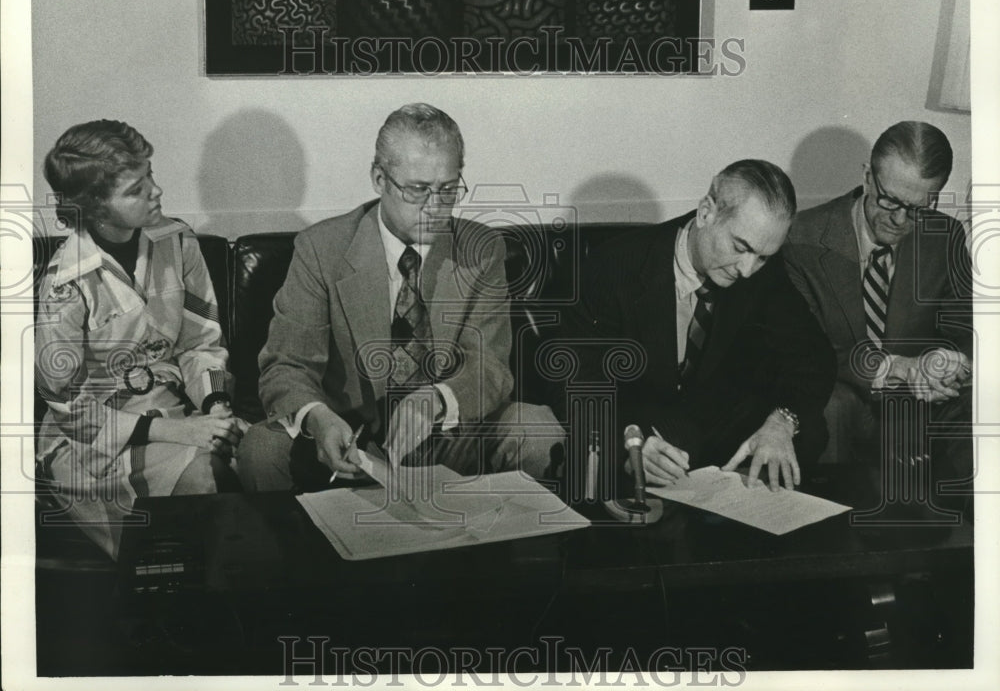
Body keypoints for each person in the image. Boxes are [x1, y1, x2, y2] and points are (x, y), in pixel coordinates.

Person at [238, 103, 564, 491]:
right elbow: (287, 365)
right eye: (418, 189)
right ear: (379, 178)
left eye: (448, 189)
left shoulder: (482, 249)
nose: (435, 207)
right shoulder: (321, 249)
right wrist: (317, 418)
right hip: (349, 437)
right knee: (260, 449)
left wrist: (438, 399)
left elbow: (490, 366)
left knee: (537, 429)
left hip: (450, 435)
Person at [35, 120, 247, 560]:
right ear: (94, 208)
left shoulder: (178, 242)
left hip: (177, 410)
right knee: (202, 476)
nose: (156, 190)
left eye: (149, 173)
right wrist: (179, 431)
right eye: (135, 189)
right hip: (93, 442)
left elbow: (200, 343)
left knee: (258, 460)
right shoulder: (63, 285)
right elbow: (68, 406)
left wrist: (215, 408)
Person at [563, 159, 835, 491]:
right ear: (706, 212)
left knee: (810, 429)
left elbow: (815, 356)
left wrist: (782, 422)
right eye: (740, 247)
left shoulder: (762, 267)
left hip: (714, 424)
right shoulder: (614, 267)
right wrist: (628, 441)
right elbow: (578, 381)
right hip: (642, 426)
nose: (747, 270)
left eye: (763, 256)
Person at [783, 121, 972, 477]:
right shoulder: (801, 238)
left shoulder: (946, 237)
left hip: (923, 405)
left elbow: (970, 331)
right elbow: (803, 352)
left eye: (918, 207)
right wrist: (897, 367)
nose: (900, 219)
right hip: (845, 397)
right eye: (889, 200)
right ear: (868, 177)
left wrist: (949, 359)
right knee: (830, 405)